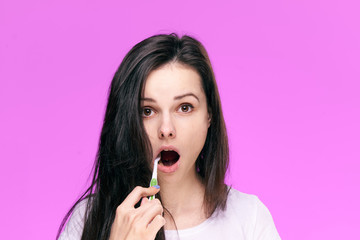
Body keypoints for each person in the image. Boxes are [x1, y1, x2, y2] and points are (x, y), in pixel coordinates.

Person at [57, 33, 281, 240]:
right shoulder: (88, 218)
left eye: (184, 107)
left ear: (209, 115)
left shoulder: (248, 217)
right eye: (147, 111)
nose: (166, 129)